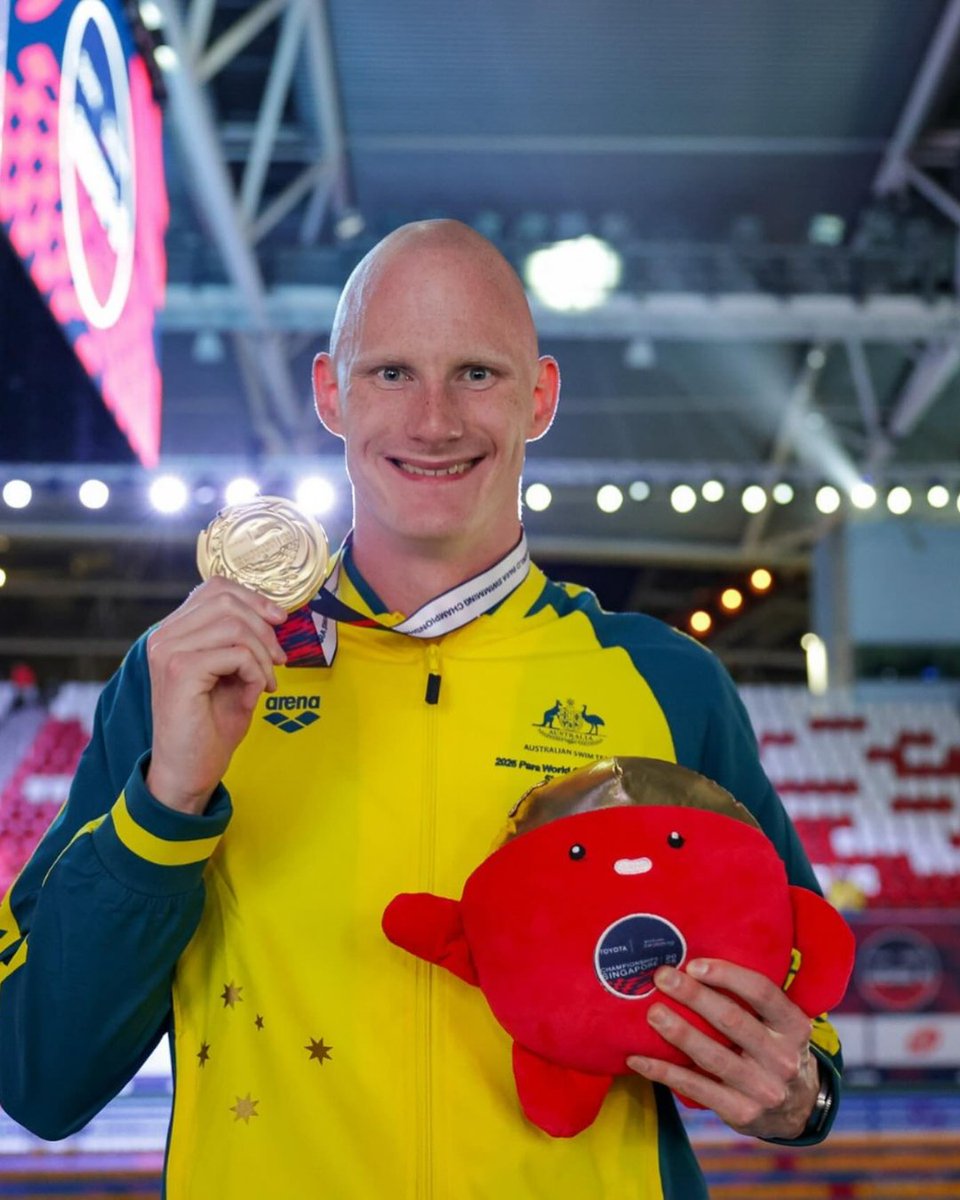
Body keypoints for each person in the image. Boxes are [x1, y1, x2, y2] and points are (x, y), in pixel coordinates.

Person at [0, 221, 843, 1198]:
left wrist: (799, 1097)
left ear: (541, 397)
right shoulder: (188, 678)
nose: (434, 420)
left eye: (477, 374)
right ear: (331, 392)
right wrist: (169, 800)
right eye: (392, 372)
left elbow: (803, 1024)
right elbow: (39, 1078)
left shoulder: (666, 685)